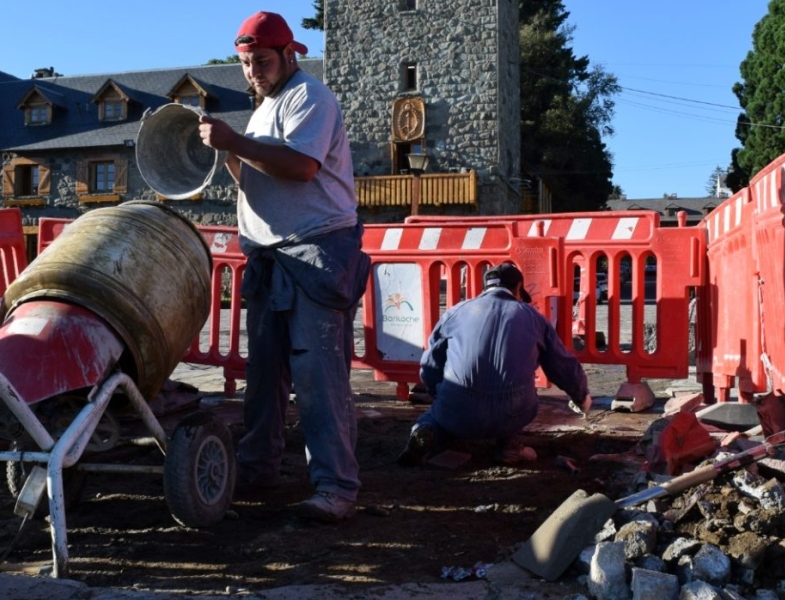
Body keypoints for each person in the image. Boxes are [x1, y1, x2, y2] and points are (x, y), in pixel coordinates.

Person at [198, 11, 369, 523]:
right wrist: (226, 154)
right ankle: (258, 465)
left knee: (318, 373)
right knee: (265, 371)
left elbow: (300, 167)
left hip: (316, 251)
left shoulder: (310, 97)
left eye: (262, 61)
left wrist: (233, 143)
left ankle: (335, 487)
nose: (253, 72)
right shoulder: (261, 112)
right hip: (272, 255)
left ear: (289, 53)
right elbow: (255, 170)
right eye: (246, 63)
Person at [398, 263, 593, 467]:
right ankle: (509, 447)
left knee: (437, 417)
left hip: (458, 409)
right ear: (518, 288)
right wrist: (581, 397)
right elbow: (563, 365)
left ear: (484, 288)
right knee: (525, 399)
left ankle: (429, 432)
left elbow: (430, 366)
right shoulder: (534, 318)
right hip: (513, 412)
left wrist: (438, 393)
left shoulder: (455, 313)